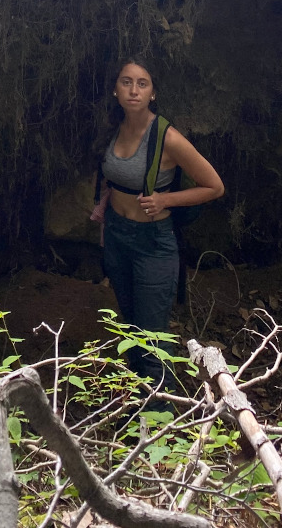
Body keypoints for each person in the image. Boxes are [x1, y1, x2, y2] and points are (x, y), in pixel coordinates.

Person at [100, 60, 224, 384]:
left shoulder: (166, 137)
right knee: (129, 331)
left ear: (153, 93)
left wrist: (164, 199)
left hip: (152, 243)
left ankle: (161, 424)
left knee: (152, 339)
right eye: (126, 82)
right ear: (115, 89)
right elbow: (115, 176)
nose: (134, 90)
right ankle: (137, 410)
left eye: (143, 83)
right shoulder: (114, 127)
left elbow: (214, 186)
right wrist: (104, 203)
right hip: (115, 236)